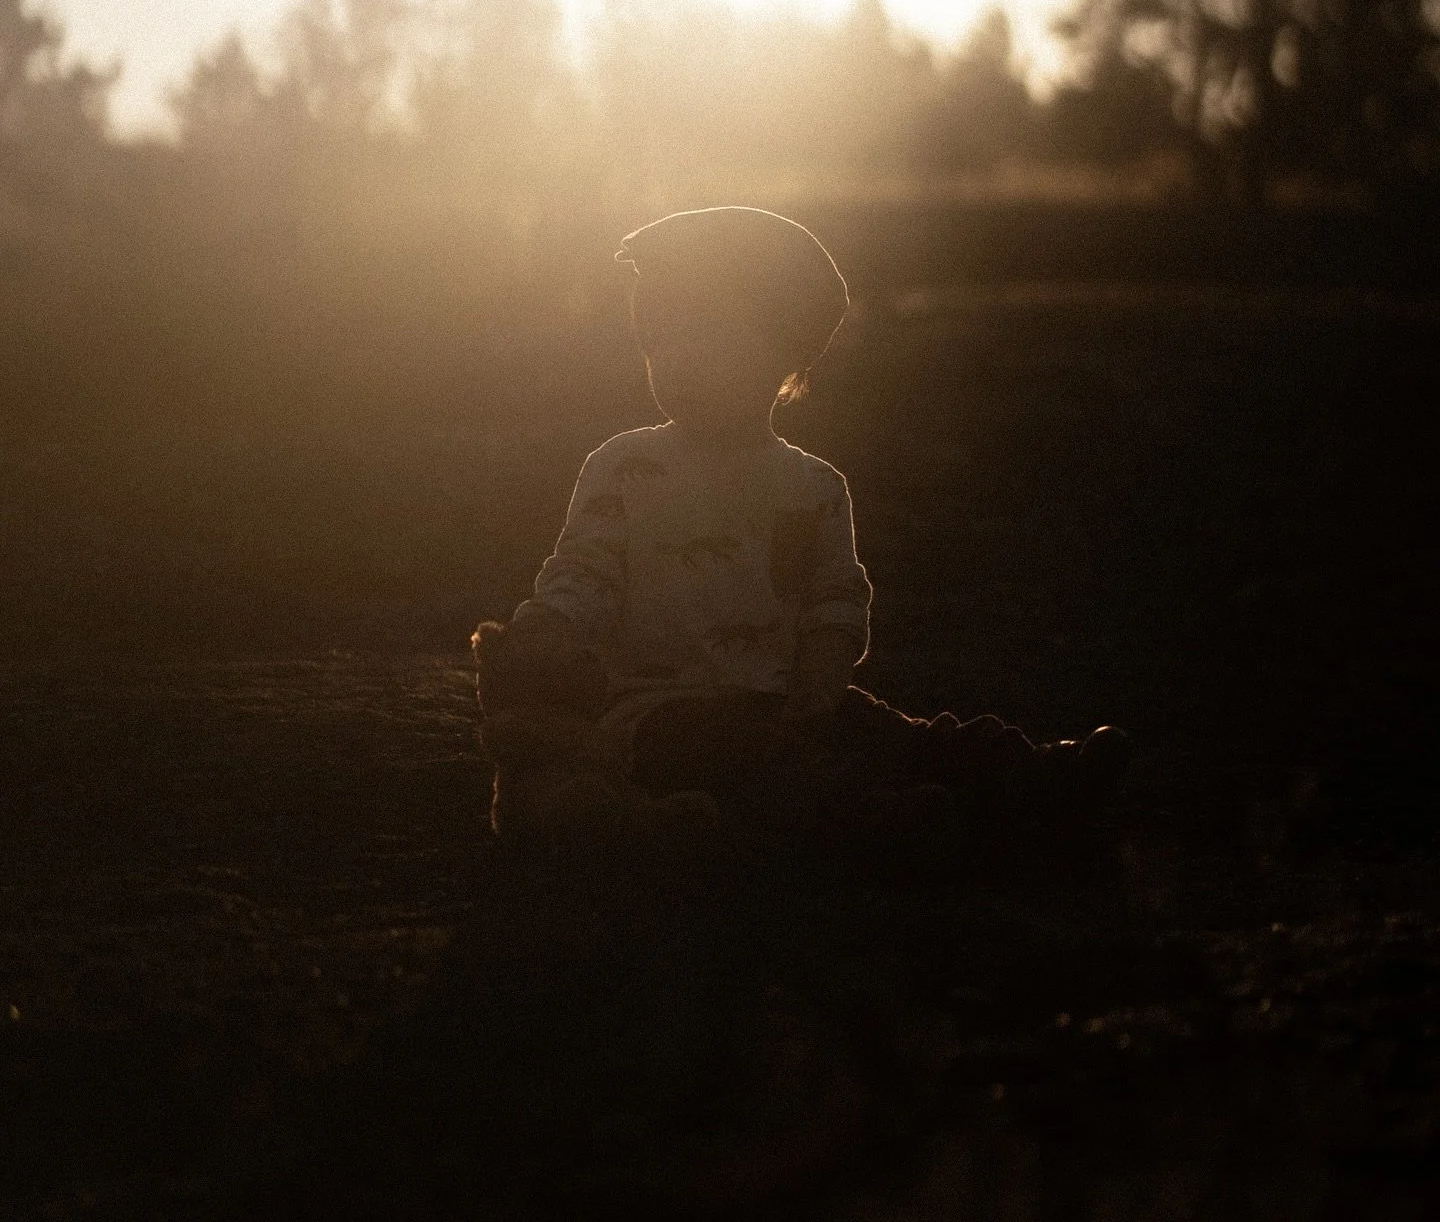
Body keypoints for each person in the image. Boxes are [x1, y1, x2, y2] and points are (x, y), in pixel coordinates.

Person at [473, 205, 1130, 864]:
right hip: (659, 714)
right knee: (764, 764)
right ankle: (885, 824)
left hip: (788, 698)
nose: (679, 362)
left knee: (894, 733)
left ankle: (1036, 775)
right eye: (659, 343)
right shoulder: (624, 466)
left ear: (786, 360)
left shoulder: (814, 486)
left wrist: (821, 684)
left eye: (709, 341)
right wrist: (545, 631)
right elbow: (584, 572)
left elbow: (835, 598)